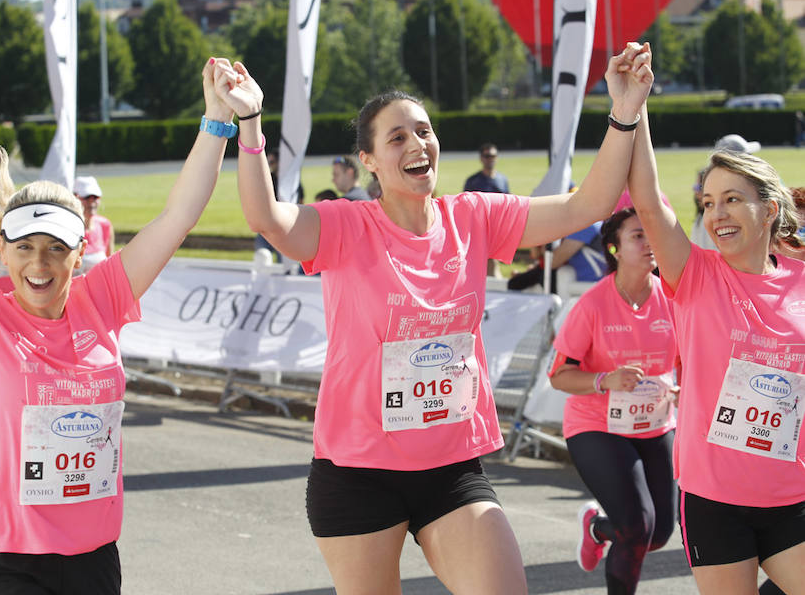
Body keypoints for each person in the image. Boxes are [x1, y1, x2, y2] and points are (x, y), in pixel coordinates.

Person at [213, 41, 653, 594]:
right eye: (396, 137)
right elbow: (269, 219)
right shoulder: (347, 226)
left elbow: (588, 205)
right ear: (368, 160)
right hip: (358, 474)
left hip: (449, 470)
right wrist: (250, 122)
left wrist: (625, 110)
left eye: (423, 131)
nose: (417, 143)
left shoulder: (473, 218)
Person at [0, 58, 232, 594]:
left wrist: (217, 120)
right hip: (5, 555)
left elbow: (179, 216)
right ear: (2, 253)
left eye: (57, 249)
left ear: (80, 253)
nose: (40, 265)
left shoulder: (103, 297)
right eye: (26, 249)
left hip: (93, 555)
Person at [627, 97, 805, 594]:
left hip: (793, 495)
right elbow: (647, 200)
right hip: (716, 501)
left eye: (731, 199)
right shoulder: (695, 275)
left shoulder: (802, 280)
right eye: (707, 202)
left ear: (768, 209)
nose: (716, 214)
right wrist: (633, 107)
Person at [549, 207, 679, 594]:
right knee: (638, 527)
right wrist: (606, 380)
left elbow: (687, 361)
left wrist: (680, 388)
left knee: (657, 534)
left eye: (651, 234)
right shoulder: (592, 305)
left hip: (655, 423)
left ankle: (597, 527)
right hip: (597, 426)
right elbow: (558, 376)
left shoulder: (674, 299)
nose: (649, 242)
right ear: (615, 249)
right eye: (638, 236)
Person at [507, 219, 607, 299]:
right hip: (583, 285)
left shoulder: (586, 226)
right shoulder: (589, 224)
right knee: (518, 282)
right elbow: (537, 255)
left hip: (589, 287)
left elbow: (552, 262)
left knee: (519, 283)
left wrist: (545, 234)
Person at [464, 143, 511, 278]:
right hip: (479, 227)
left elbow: (508, 203)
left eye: (493, 156)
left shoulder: (502, 180)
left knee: (493, 261)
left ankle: (493, 283)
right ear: (481, 158)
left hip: (497, 226)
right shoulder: (473, 181)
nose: (490, 159)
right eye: (487, 156)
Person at [73, 175, 115, 274]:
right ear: (75, 198)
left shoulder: (105, 225)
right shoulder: (66, 228)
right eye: (87, 198)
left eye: (95, 197)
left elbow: (110, 264)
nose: (92, 202)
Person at [689, 167, 718, 251]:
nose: (696, 192)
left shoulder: (715, 221)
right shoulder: (699, 218)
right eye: (695, 187)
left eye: (699, 188)